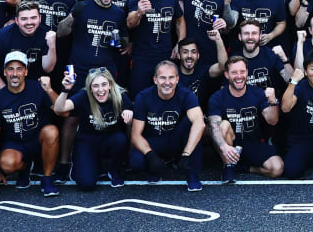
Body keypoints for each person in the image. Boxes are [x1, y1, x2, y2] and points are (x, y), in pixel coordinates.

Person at [0, 52, 61, 197]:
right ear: (4, 72)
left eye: (19, 69)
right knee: (6, 164)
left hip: (38, 139)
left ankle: (47, 178)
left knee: (52, 131)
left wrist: (49, 90)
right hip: (14, 143)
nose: (15, 73)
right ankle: (24, 168)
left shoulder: (37, 88)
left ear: (26, 71)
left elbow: (62, 112)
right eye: (10, 69)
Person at [128, 60, 208, 191]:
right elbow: (136, 135)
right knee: (136, 162)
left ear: (177, 79)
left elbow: (200, 123)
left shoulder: (187, 94)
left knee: (192, 124)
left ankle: (192, 175)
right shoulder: (143, 97)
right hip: (154, 140)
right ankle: (155, 169)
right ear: (155, 80)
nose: (167, 82)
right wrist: (150, 155)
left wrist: (186, 154)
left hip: (175, 140)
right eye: (162, 78)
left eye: (171, 77)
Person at [53, 67, 133, 191]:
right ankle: (90, 165)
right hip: (87, 142)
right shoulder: (84, 96)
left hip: (110, 141)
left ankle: (114, 169)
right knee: (86, 184)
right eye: (95, 86)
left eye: (104, 85)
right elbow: (59, 109)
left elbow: (133, 119)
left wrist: (129, 113)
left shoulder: (120, 95)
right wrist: (65, 90)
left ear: (110, 85)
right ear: (90, 88)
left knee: (120, 139)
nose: (100, 90)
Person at [206, 56, 282, 182]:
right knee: (223, 125)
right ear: (226, 75)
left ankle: (244, 168)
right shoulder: (217, 97)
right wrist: (224, 147)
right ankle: (228, 165)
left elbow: (272, 120)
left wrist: (273, 102)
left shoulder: (257, 93)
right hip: (229, 143)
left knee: (277, 168)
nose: (239, 76)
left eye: (242, 71)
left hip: (251, 142)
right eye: (234, 72)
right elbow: (214, 127)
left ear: (247, 72)